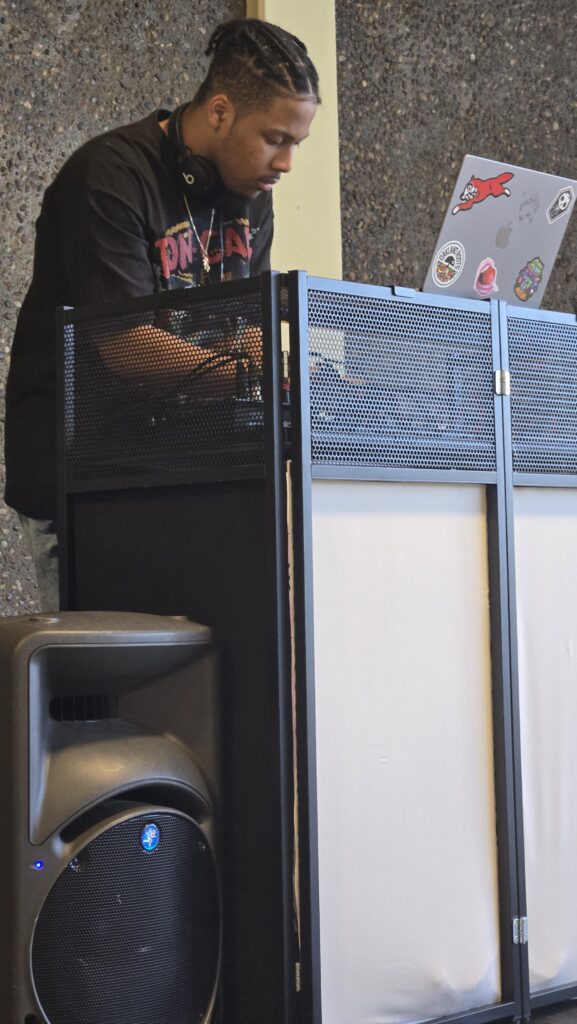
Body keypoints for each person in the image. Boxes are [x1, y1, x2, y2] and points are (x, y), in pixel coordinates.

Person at [4, 18, 320, 611]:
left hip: (180, 459)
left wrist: (296, 377)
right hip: (81, 472)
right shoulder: (111, 178)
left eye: (296, 144)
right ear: (221, 111)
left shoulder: (250, 200)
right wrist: (264, 381)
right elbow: (126, 346)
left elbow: (247, 325)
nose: (286, 164)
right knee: (102, 682)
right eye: (276, 138)